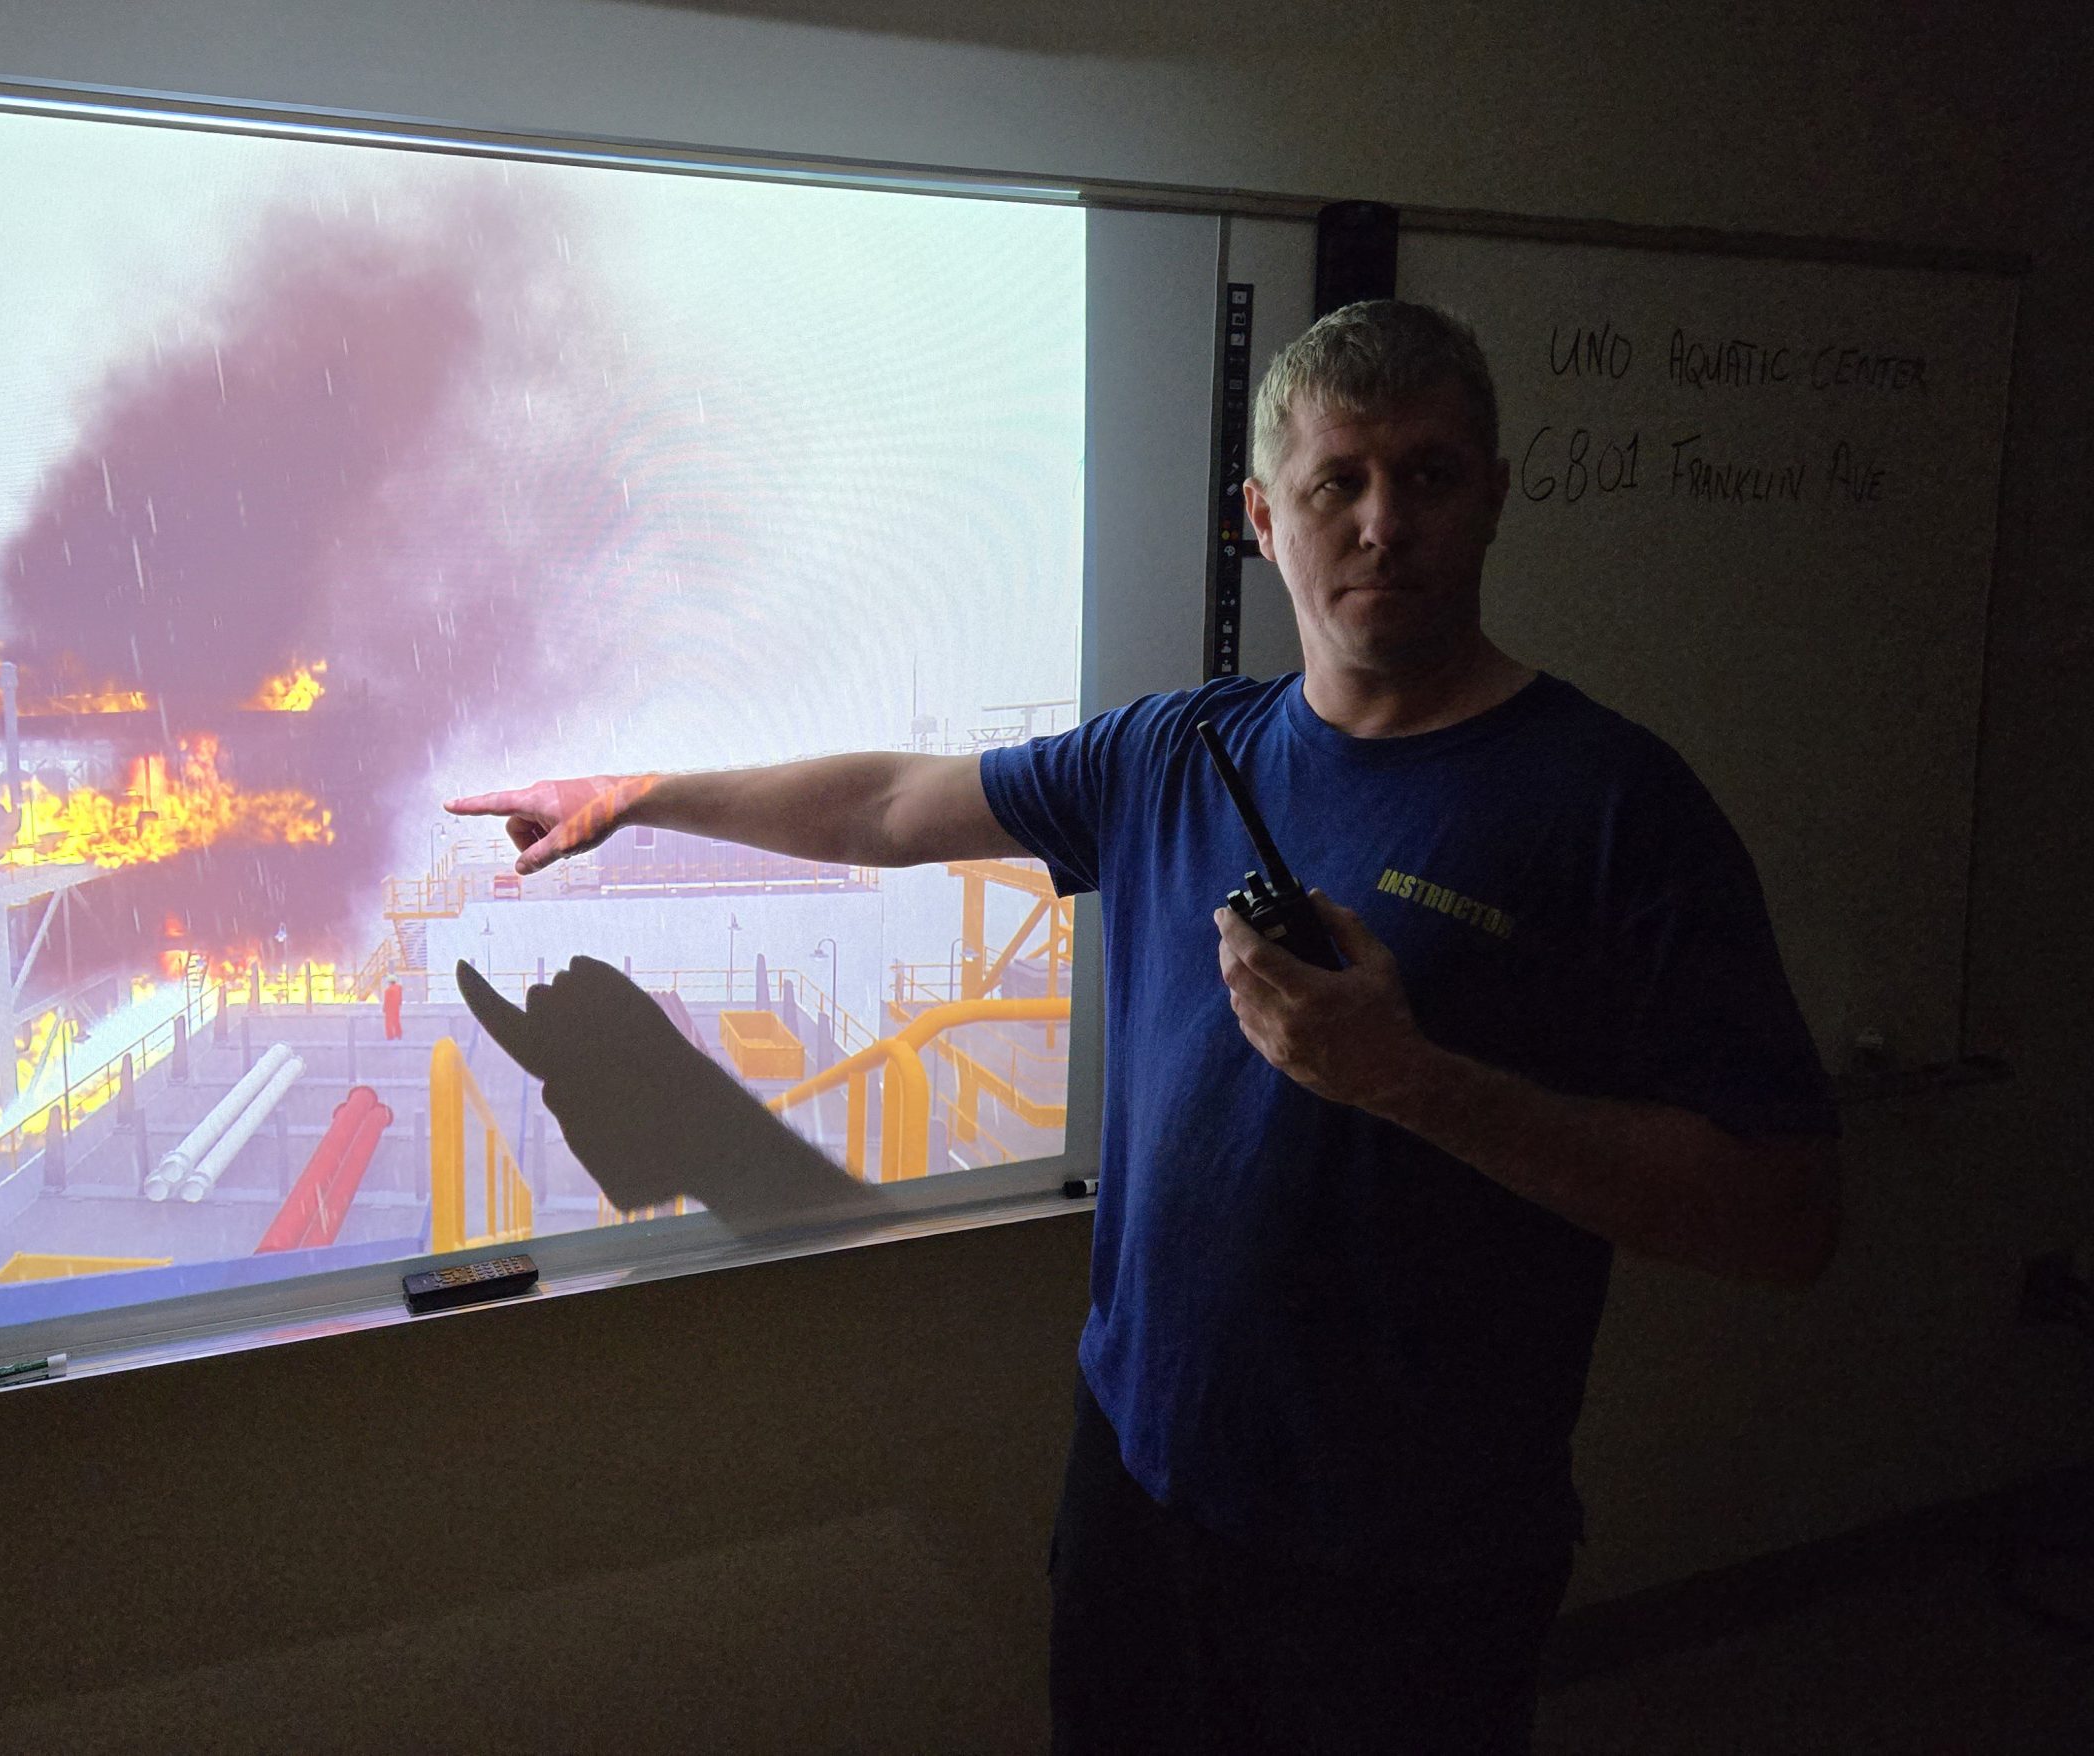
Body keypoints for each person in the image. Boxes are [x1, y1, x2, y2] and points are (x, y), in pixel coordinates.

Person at [447, 300, 1841, 1753]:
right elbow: (888, 806)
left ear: (1491, 494)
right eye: (1339, 481)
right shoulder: (1178, 752)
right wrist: (638, 795)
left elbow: (1786, 1215)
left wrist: (1413, 1082)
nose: (1384, 523)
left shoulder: (1615, 806)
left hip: (1412, 1562)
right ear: (1263, 519)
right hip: (1141, 1488)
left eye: (1428, 476)